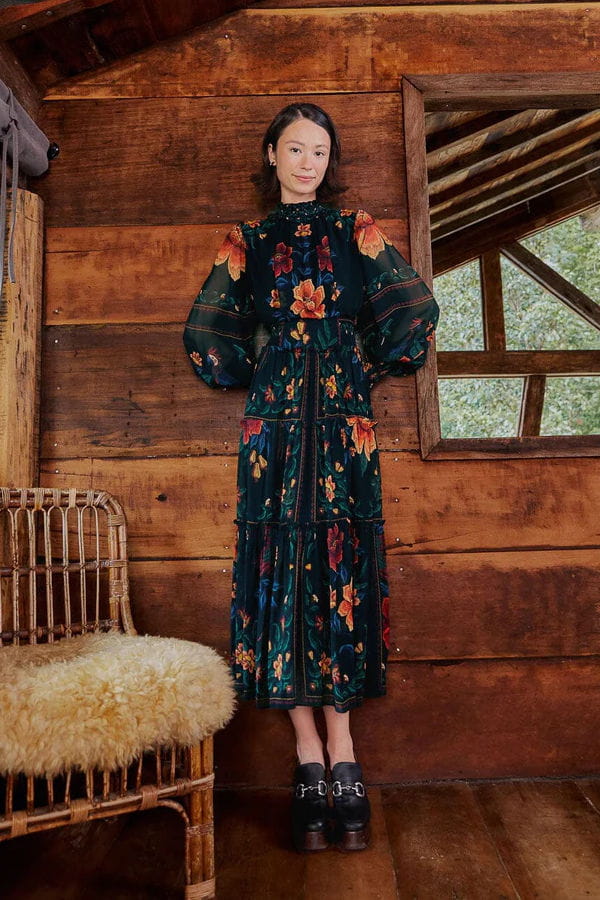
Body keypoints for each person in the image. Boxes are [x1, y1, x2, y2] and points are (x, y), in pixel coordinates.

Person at [183, 102, 440, 852]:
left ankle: (345, 754)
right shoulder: (249, 239)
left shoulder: (355, 229)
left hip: (344, 426)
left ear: (330, 161)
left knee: (342, 567)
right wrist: (269, 370)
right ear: (272, 155)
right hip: (273, 431)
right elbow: (205, 333)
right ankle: (308, 757)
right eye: (294, 149)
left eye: (319, 151)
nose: (307, 163)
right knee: (280, 568)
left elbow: (415, 311)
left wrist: (358, 365)